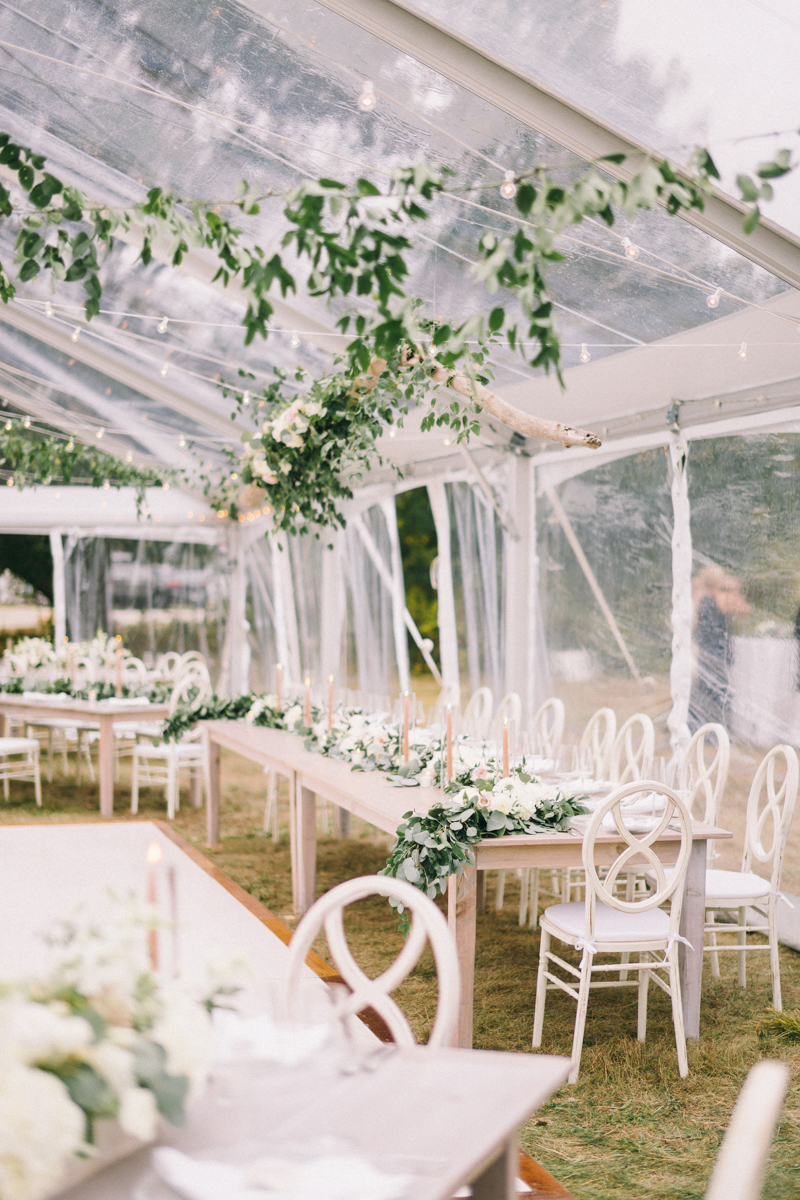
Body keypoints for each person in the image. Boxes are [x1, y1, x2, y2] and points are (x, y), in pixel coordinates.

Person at [688, 565, 749, 732]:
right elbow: (744, 609)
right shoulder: (719, 598)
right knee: (719, 692)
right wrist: (735, 590)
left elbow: (692, 624)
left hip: (705, 649)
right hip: (718, 651)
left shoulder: (699, 596)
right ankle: (715, 731)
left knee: (703, 690)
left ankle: (698, 728)